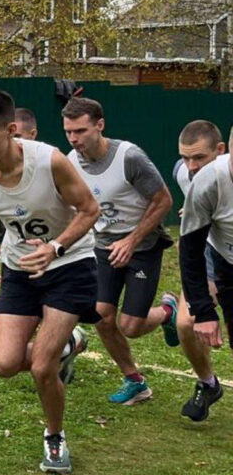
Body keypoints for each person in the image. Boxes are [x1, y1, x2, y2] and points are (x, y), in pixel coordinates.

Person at [0, 89, 98, 473]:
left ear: (10, 131)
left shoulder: (50, 161)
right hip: (19, 267)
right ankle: (70, 343)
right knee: (4, 363)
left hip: (69, 264)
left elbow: (89, 209)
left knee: (42, 367)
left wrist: (55, 246)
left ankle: (55, 437)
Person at [65, 97, 176, 406]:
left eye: (80, 131)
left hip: (143, 245)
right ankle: (135, 381)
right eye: (68, 132)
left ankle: (168, 312)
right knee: (101, 317)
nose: (73, 138)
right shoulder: (71, 161)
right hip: (103, 246)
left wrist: (131, 240)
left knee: (130, 326)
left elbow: (164, 201)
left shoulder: (129, 157)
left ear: (100, 125)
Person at [173, 120, 226, 421]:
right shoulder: (183, 172)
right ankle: (208, 384)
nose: (192, 166)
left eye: (199, 158)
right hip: (208, 250)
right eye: (186, 157)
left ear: (221, 150)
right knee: (186, 323)